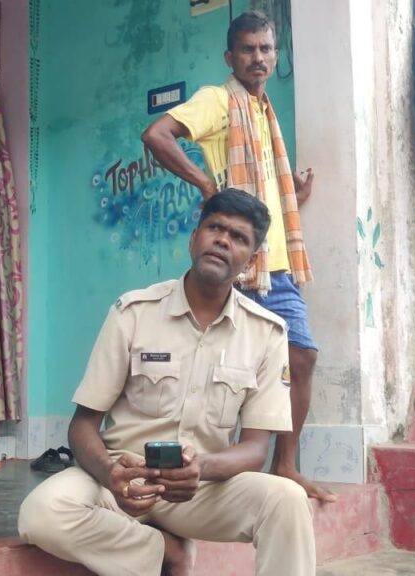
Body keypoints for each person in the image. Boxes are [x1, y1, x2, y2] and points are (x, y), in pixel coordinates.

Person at [18, 189, 315, 576]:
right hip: (122, 478)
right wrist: (109, 473)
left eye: (239, 237)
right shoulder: (134, 312)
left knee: (288, 499)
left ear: (252, 261)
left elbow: (255, 449)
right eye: (214, 228)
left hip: (201, 489)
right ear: (194, 238)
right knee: (41, 513)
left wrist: (201, 467)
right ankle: (164, 553)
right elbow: (83, 425)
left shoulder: (267, 333)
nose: (223, 241)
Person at [141, 10, 330, 502]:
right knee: (224, 366)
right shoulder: (218, 101)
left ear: (275, 54)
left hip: (275, 265)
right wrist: (207, 186)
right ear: (231, 57)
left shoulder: (264, 112)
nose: (258, 57)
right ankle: (211, 469)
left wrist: (292, 194)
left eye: (266, 49)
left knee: (300, 358)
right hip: (239, 265)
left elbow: (259, 190)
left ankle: (283, 466)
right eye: (247, 49)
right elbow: (157, 135)